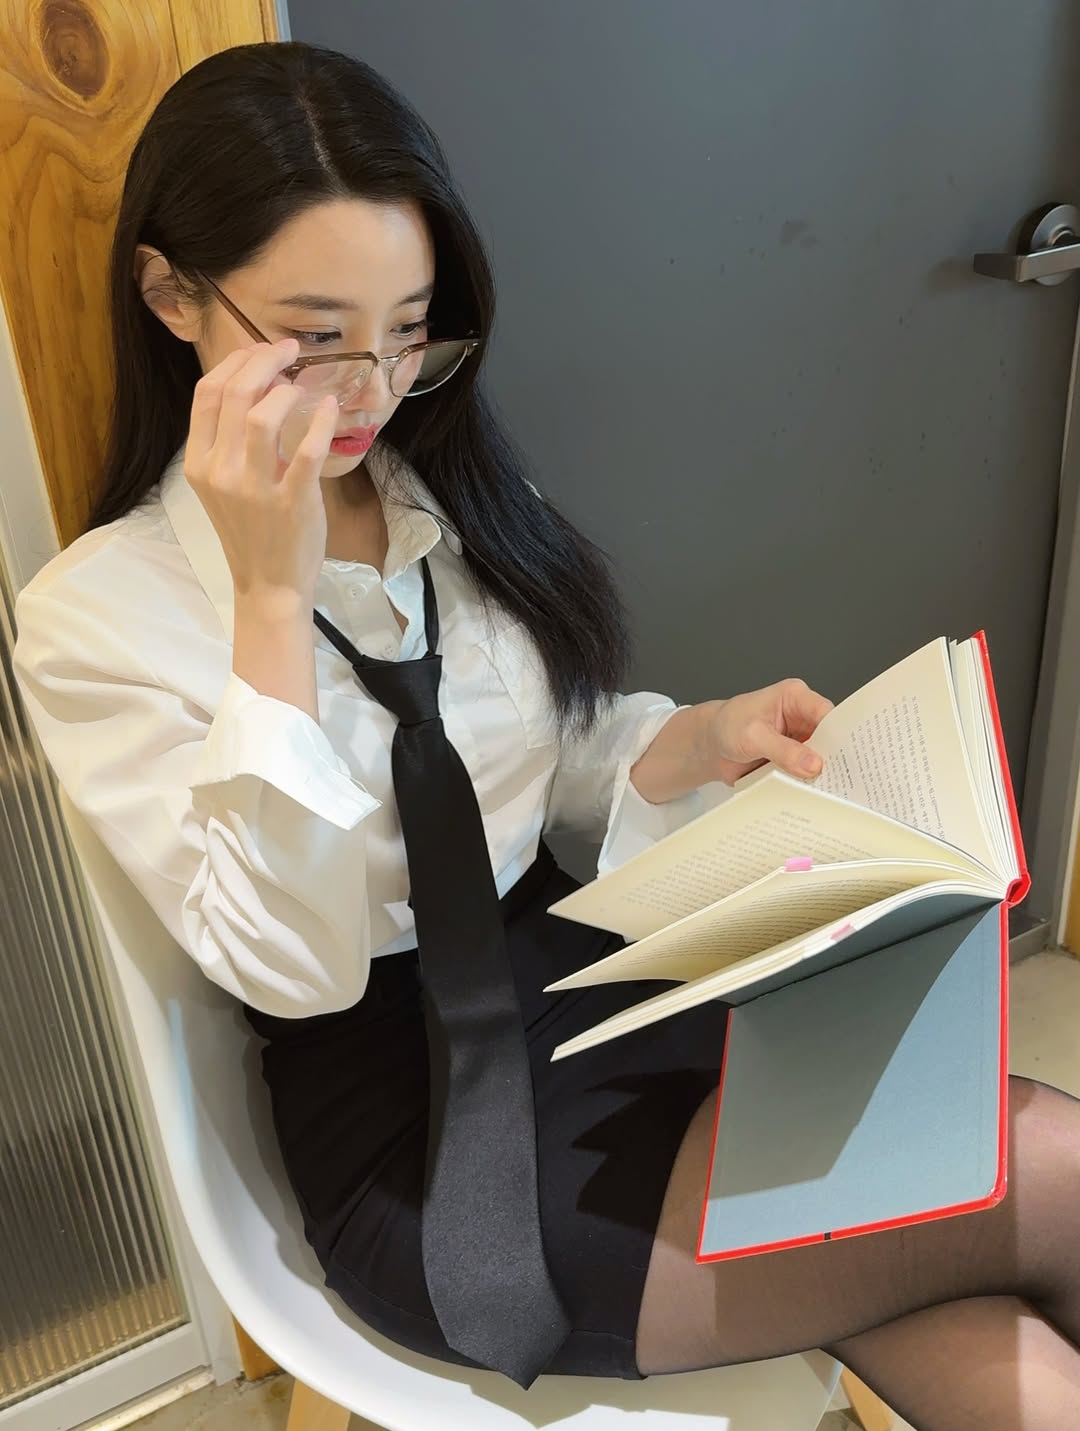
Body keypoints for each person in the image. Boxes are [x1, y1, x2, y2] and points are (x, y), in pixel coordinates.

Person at [12, 40, 1080, 1428]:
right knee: (1041, 1178)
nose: (372, 389)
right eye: (315, 337)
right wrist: (270, 600)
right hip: (417, 1127)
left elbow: (546, 760)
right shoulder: (96, 618)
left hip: (603, 984)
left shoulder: (437, 489)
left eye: (409, 331)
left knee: (991, 1248)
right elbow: (297, 967)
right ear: (171, 294)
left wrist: (698, 739)